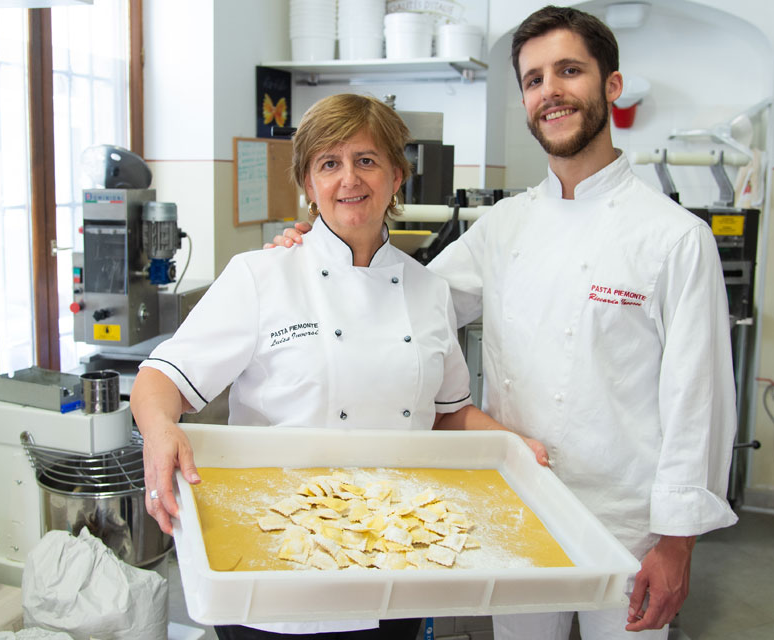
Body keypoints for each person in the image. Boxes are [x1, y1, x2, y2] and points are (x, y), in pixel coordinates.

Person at [269, 6, 738, 639]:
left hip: (629, 528)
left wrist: (677, 543)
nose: (551, 92)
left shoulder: (676, 238)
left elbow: (697, 401)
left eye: (569, 71)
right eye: (535, 79)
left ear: (612, 87)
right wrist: (322, 251)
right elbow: (407, 304)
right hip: (520, 507)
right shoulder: (506, 228)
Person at [131, 93, 548, 640]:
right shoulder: (262, 275)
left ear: (398, 175)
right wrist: (159, 428)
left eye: (367, 160)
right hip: (274, 558)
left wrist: (515, 447)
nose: (349, 178)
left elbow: (447, 415)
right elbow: (160, 380)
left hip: (391, 559)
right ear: (308, 184)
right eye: (329, 164)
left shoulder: (427, 290)